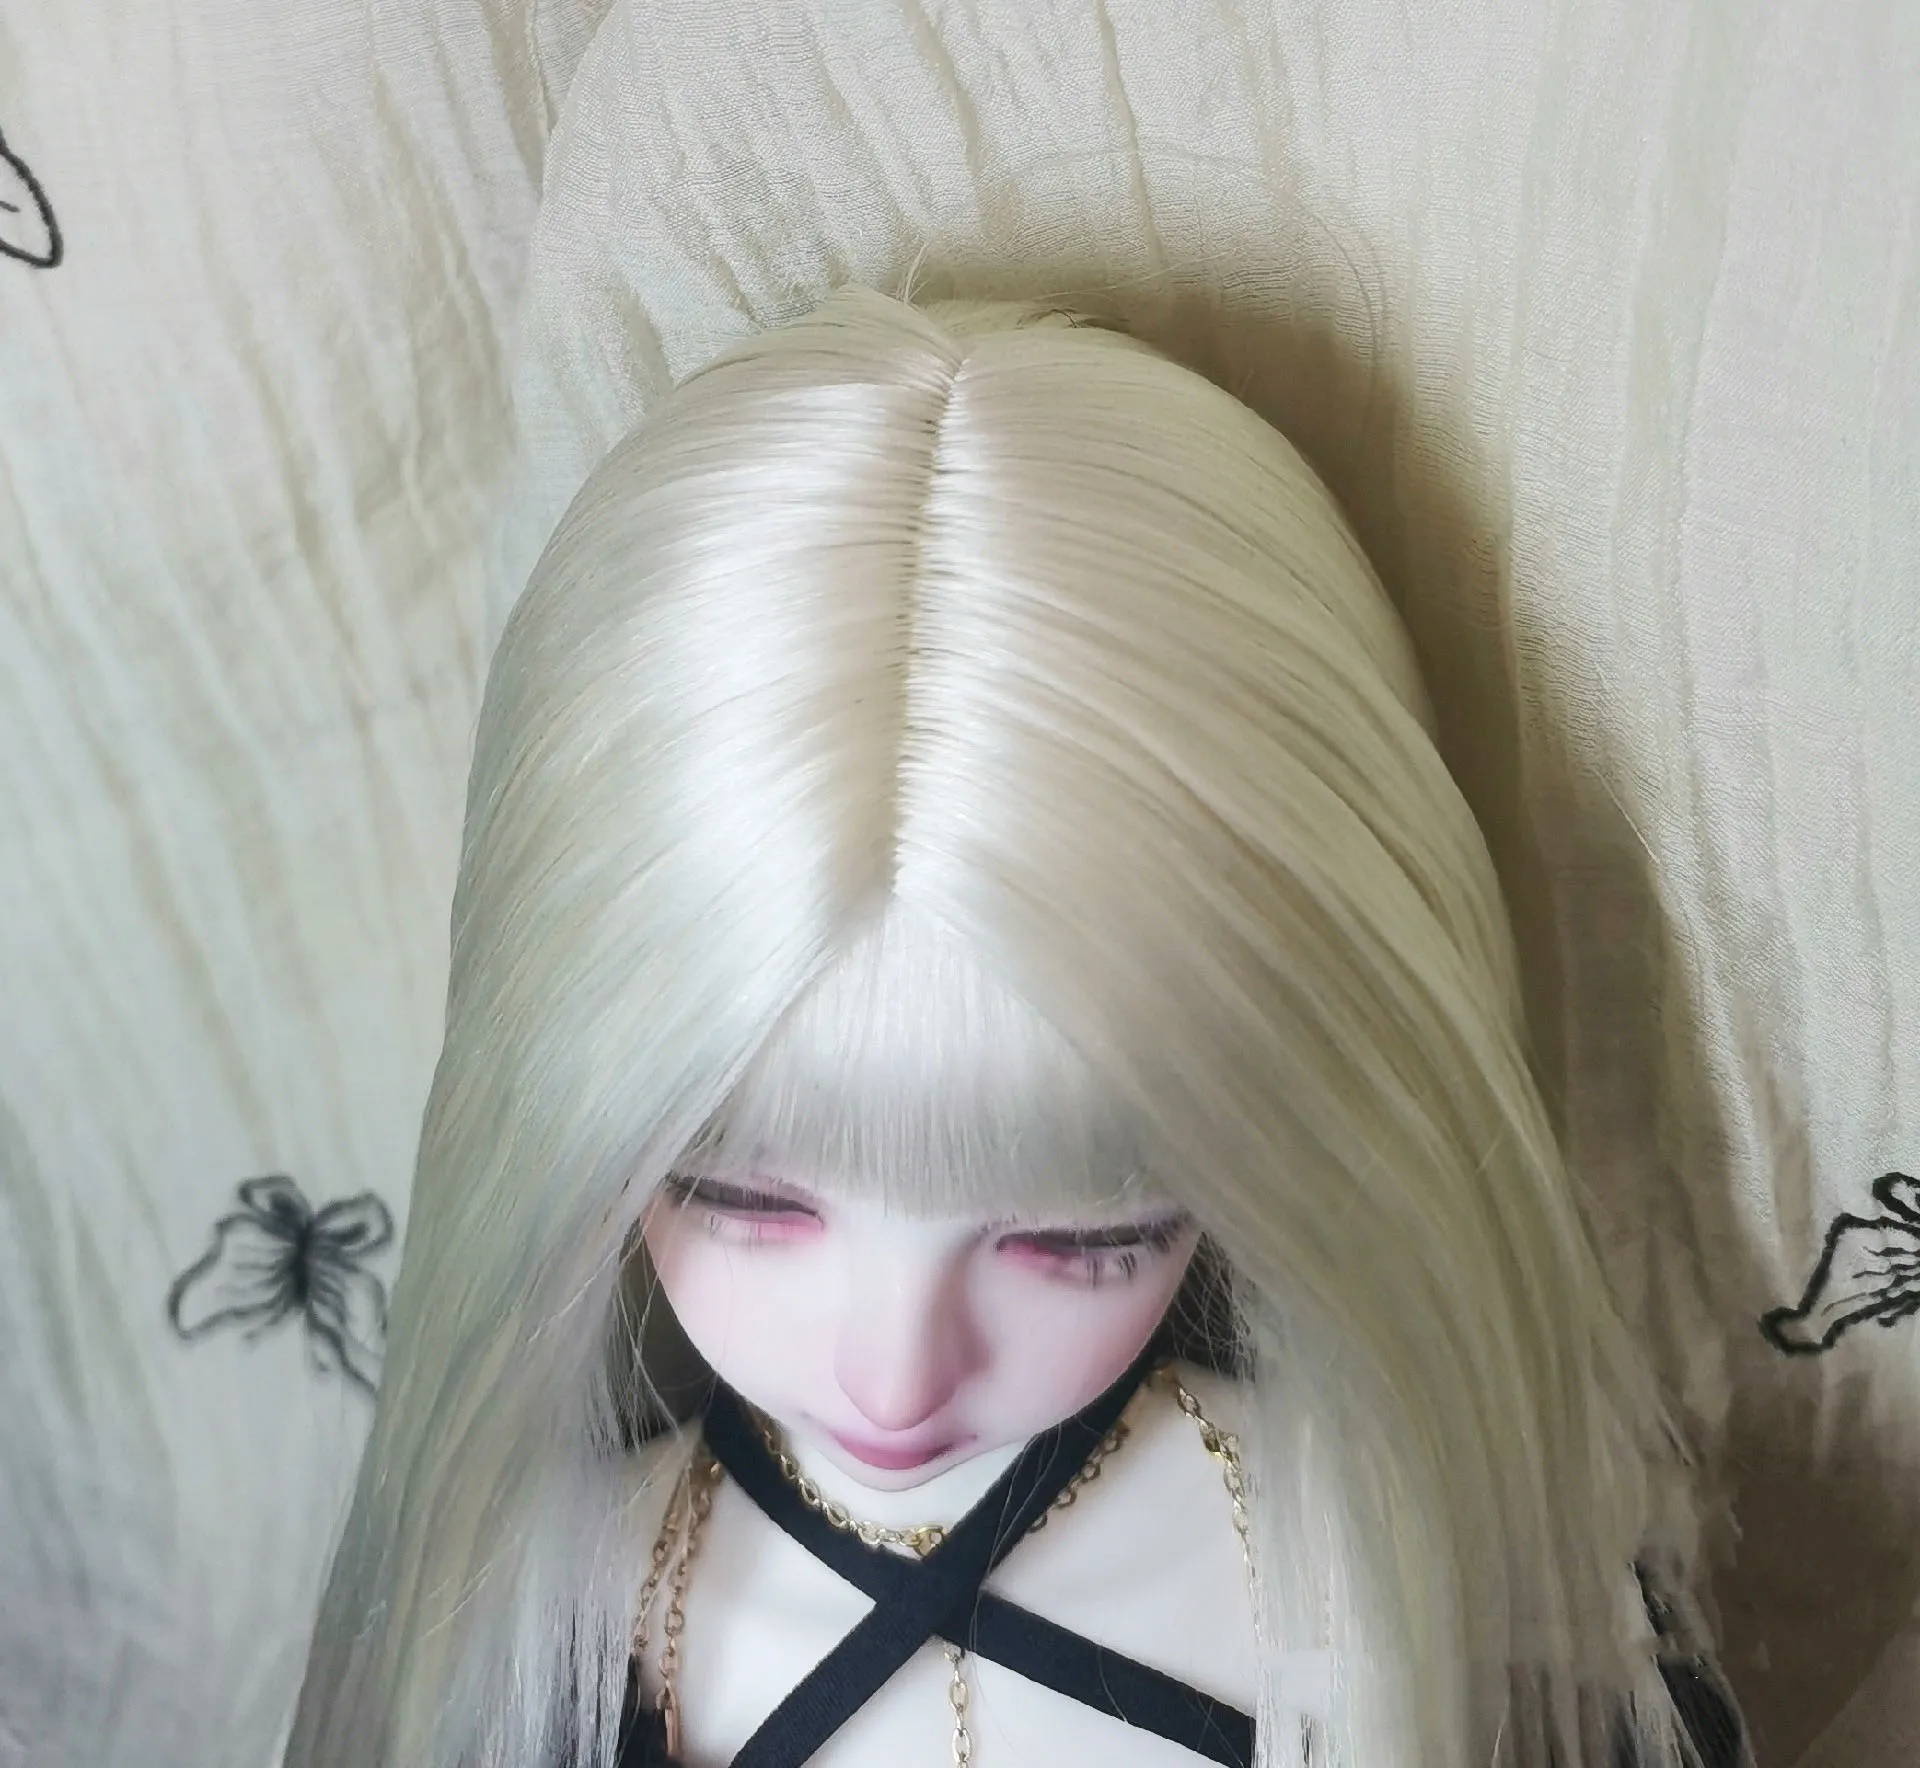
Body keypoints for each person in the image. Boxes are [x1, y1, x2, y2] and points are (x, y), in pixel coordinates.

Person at [283, 287, 1745, 1768]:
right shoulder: (523, 1623)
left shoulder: (1448, 1607)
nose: (895, 1378)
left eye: (1077, 1240)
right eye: (741, 1201)